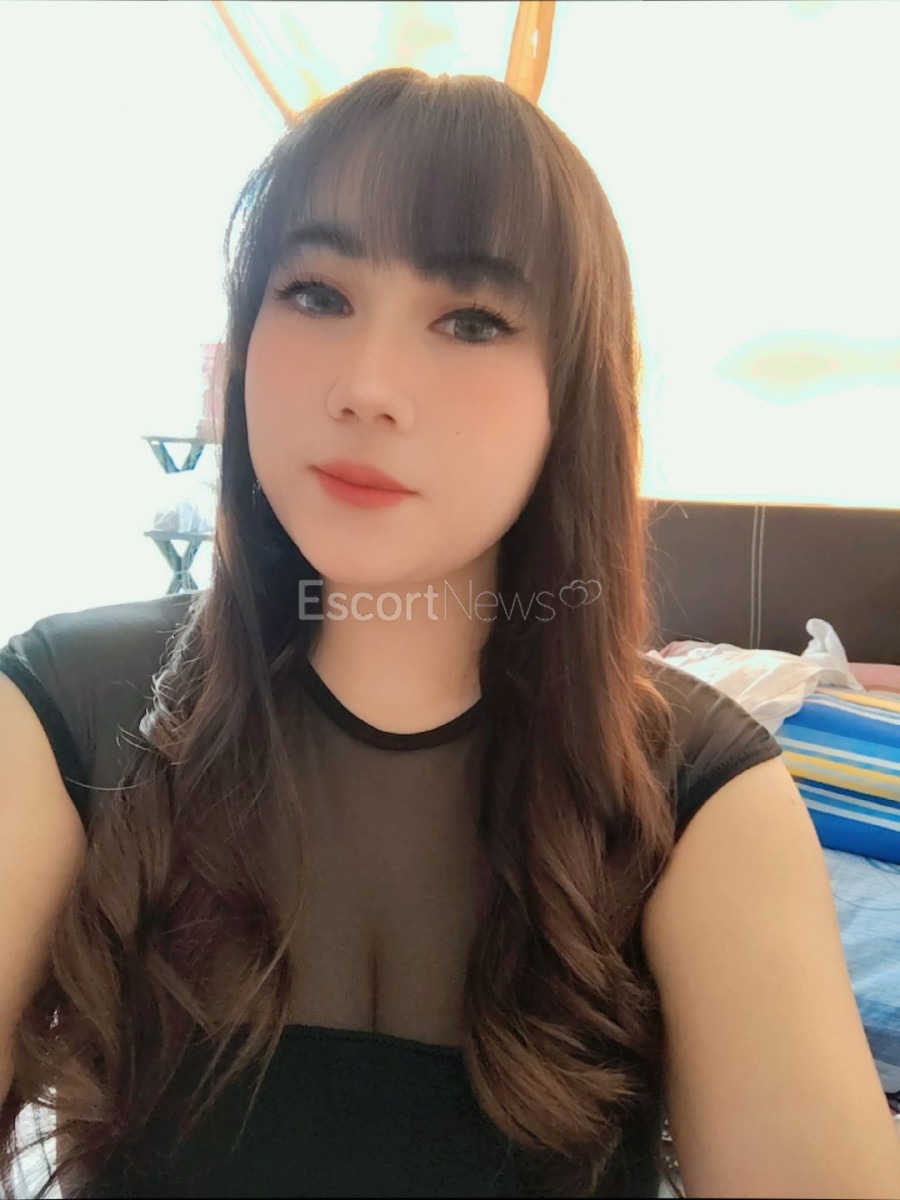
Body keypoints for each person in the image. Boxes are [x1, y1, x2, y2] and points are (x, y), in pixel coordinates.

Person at [1, 67, 898, 1200]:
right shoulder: (65, 710)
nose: (368, 386)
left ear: (572, 394)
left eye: (471, 320)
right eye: (315, 294)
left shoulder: (700, 791)